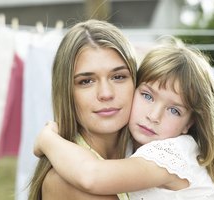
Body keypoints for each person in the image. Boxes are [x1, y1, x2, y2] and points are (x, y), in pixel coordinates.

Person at [34, 37, 214, 199]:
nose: (153, 116)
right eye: (147, 96)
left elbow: (91, 175)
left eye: (174, 110)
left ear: (189, 123)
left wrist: (47, 139)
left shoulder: (173, 153)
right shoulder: (130, 148)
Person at [28, 19, 137, 200]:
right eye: (86, 81)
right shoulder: (66, 182)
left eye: (118, 76)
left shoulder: (150, 150)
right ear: (66, 93)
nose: (106, 93)